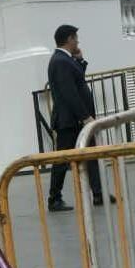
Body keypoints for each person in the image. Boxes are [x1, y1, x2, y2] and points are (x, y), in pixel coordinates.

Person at [45, 24, 109, 211]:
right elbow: (69, 92)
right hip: (69, 121)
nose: (78, 42)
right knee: (62, 159)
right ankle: (54, 198)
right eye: (76, 38)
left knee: (91, 154)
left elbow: (77, 80)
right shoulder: (60, 61)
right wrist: (84, 116)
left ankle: (97, 193)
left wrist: (80, 61)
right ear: (69, 39)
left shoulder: (65, 60)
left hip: (75, 120)